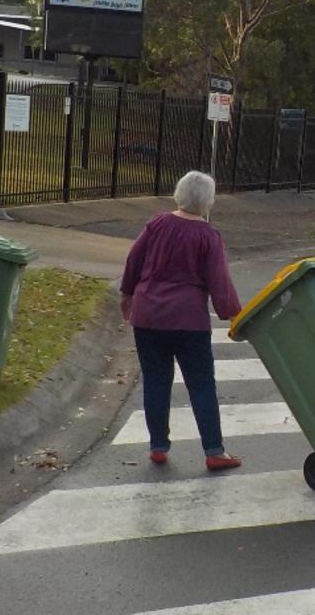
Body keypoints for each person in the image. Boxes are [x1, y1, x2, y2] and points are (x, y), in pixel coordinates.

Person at [120, 171, 244, 471]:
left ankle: (158, 446)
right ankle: (214, 450)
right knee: (201, 384)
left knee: (156, 380)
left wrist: (127, 295)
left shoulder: (157, 224)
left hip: (148, 315)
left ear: (179, 193)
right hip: (189, 320)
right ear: (208, 201)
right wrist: (233, 313)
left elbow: (133, 260)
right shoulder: (208, 236)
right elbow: (219, 280)